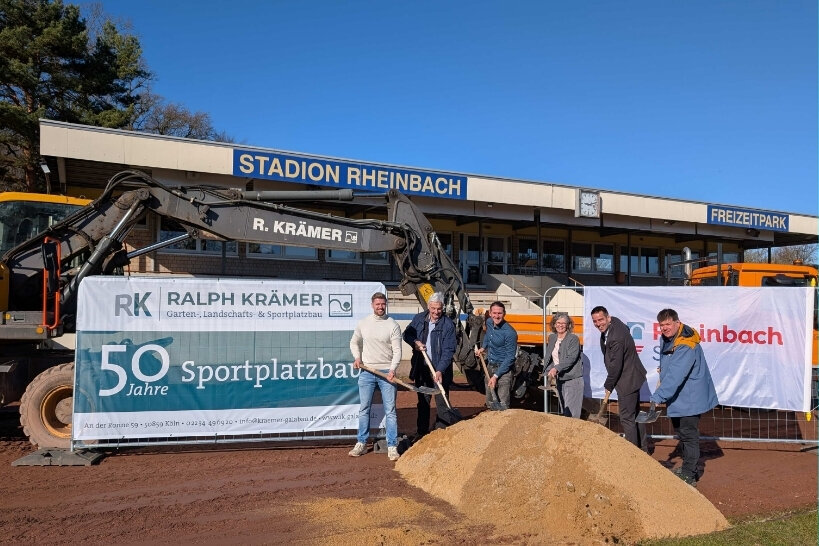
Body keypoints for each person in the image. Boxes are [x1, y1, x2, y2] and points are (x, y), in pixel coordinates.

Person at [650, 308, 719, 486]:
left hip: (690, 397)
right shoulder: (668, 339)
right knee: (682, 433)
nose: (665, 328)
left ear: (677, 323)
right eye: (662, 325)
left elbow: (676, 375)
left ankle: (689, 474)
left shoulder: (685, 344)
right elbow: (670, 369)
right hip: (679, 396)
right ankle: (689, 468)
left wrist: (658, 396)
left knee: (689, 435)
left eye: (668, 324)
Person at [348, 292, 403, 461]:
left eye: (383, 304)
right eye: (377, 304)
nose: (380, 307)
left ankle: (392, 446)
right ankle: (361, 443)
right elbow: (354, 342)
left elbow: (397, 351)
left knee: (390, 411)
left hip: (387, 373)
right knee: (364, 409)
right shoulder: (364, 323)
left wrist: (392, 369)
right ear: (372, 305)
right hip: (367, 371)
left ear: (386, 304)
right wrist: (357, 358)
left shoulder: (392, 325)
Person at [590, 305, 648, 449]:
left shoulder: (616, 337)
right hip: (632, 376)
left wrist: (609, 384)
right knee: (634, 415)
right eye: (595, 321)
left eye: (601, 320)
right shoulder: (614, 324)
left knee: (627, 418)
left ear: (608, 318)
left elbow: (616, 365)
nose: (598, 324)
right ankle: (643, 451)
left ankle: (632, 453)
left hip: (627, 380)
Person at [403, 292, 457, 438]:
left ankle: (442, 433)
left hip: (440, 370)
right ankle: (422, 433)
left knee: (442, 402)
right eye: (433, 308)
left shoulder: (448, 325)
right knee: (423, 402)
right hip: (422, 369)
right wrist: (415, 342)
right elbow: (407, 334)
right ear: (428, 306)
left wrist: (440, 370)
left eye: (439, 309)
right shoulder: (419, 319)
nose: (436, 312)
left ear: (442, 308)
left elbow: (448, 350)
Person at [475, 301, 518, 410]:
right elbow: (488, 335)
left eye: (499, 313)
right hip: (490, 366)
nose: (497, 316)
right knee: (490, 402)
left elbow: (510, 358)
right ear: (490, 313)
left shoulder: (510, 333)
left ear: (504, 314)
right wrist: (483, 347)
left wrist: (496, 376)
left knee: (502, 404)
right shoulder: (489, 322)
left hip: (504, 370)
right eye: (494, 313)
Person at [544, 312, 584, 418]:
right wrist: (549, 369)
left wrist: (557, 368)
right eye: (558, 322)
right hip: (560, 379)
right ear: (554, 324)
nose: (560, 325)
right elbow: (552, 357)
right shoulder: (552, 338)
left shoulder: (573, 339)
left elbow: (571, 358)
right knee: (564, 412)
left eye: (563, 323)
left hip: (573, 379)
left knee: (572, 415)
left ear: (568, 325)